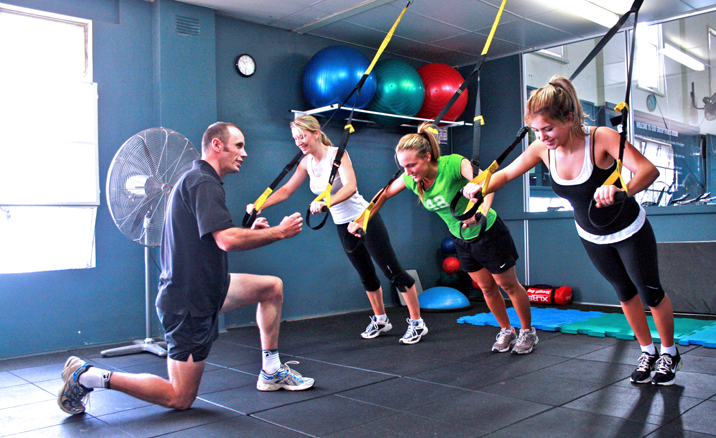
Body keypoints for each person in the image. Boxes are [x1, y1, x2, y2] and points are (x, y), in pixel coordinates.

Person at [58, 122, 314, 415]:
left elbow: (212, 235)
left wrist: (253, 230)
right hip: (188, 302)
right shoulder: (203, 182)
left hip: (210, 286)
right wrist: (280, 232)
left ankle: (271, 371)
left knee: (271, 288)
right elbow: (228, 240)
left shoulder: (200, 179)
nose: (245, 153)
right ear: (217, 145)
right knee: (179, 397)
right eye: (239, 145)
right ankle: (87, 376)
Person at [463, 75, 681, 385]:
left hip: (630, 229)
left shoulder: (601, 138)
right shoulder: (542, 149)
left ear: (569, 117)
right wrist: (481, 186)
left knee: (650, 292)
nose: (543, 136)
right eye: (537, 130)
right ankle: (647, 351)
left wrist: (622, 191)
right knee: (624, 292)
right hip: (592, 235)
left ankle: (669, 353)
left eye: (548, 129)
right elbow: (507, 173)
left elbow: (648, 170)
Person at [348, 122, 538, 355]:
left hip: (488, 233)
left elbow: (487, 183)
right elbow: (385, 193)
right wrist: (363, 217)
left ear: (427, 156)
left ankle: (528, 331)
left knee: (507, 285)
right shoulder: (411, 179)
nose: (408, 172)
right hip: (461, 239)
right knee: (486, 287)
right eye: (403, 167)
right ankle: (506, 330)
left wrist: (481, 213)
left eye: (412, 165)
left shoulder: (454, 164)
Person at [254, 115, 426, 344]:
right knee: (365, 274)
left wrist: (326, 202)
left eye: (302, 136)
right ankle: (381, 319)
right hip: (342, 223)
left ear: (316, 133)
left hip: (364, 218)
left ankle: (417, 323)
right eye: (295, 138)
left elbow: (351, 187)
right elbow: (286, 190)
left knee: (392, 271)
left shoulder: (337, 154)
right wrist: (258, 204)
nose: (299, 142)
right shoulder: (306, 162)